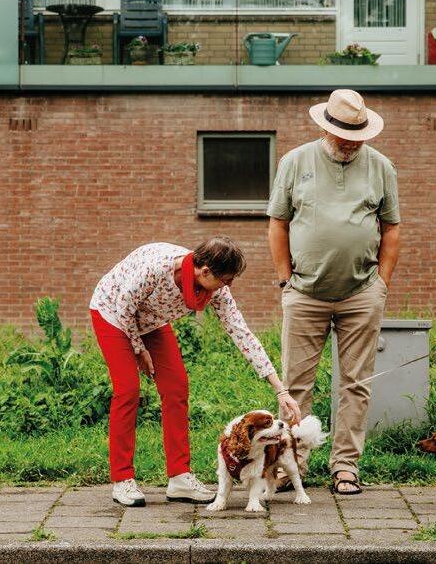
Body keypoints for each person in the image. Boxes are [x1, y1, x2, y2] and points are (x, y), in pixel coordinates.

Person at [89, 236, 302, 507]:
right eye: (226, 280)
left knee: (176, 387)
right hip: (113, 312)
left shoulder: (216, 289)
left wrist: (280, 390)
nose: (228, 286)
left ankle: (179, 477)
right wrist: (138, 349)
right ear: (205, 271)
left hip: (151, 319)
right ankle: (123, 479)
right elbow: (124, 307)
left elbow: (243, 335)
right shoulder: (155, 270)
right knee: (128, 390)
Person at [267, 89, 400, 495]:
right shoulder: (295, 162)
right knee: (295, 385)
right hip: (305, 292)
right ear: (326, 128)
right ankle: (292, 465)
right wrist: (285, 279)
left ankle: (345, 466)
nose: (351, 143)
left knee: (356, 383)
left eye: (358, 136)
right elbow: (278, 223)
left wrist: (381, 284)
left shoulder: (381, 166)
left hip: (362, 293)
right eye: (344, 135)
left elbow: (391, 228)